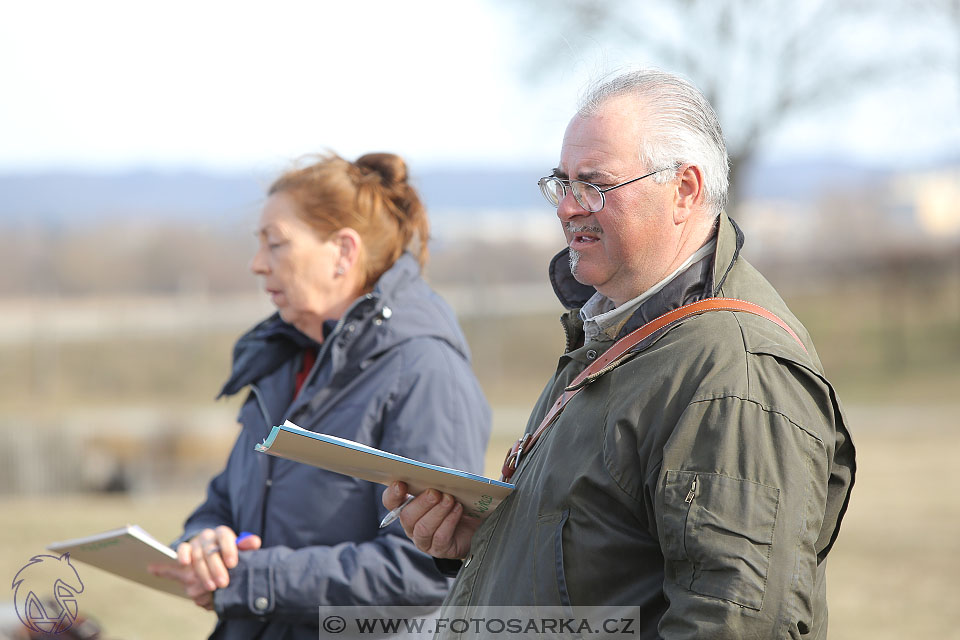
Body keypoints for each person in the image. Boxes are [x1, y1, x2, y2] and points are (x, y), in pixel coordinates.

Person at [384, 69, 856, 638]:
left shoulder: (733, 371)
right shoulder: (619, 331)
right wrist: (486, 539)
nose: (566, 208)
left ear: (684, 189)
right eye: (562, 183)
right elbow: (606, 551)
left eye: (594, 185)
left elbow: (735, 621)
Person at [151, 151, 491, 639]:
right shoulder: (284, 359)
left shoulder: (425, 370)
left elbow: (421, 571)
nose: (256, 265)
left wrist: (251, 579)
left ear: (343, 253)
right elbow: (224, 500)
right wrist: (205, 541)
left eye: (276, 244)